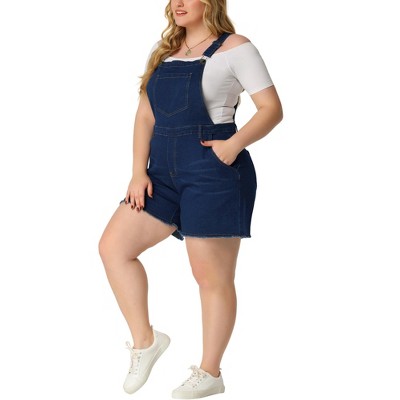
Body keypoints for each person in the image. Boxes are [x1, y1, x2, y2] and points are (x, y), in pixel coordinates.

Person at [99, 0, 283, 398]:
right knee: (114, 248)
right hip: (160, 174)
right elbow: (145, 115)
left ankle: (210, 372)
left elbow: (271, 109)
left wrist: (232, 146)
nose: (177, 3)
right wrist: (138, 171)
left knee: (210, 277)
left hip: (212, 172)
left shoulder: (236, 48)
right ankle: (146, 341)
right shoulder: (163, 50)